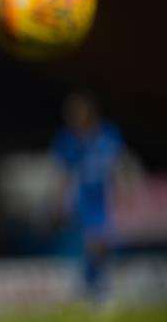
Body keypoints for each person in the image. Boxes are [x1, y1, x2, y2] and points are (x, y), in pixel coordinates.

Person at [52, 91, 125, 299]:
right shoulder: (68, 140)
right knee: (91, 243)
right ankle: (94, 290)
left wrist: (123, 191)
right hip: (82, 198)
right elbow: (64, 174)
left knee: (100, 244)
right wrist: (60, 201)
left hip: (104, 197)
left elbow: (118, 165)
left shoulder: (108, 135)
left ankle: (95, 287)